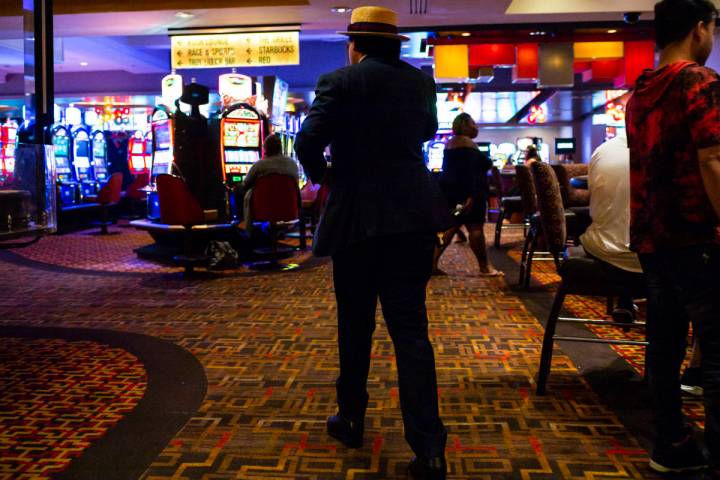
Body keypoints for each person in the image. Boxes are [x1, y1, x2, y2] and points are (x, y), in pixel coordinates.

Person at [294, 6, 452, 479]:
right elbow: (426, 132)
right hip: (412, 216)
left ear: (355, 44)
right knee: (411, 332)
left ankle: (351, 418)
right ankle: (429, 448)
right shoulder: (420, 82)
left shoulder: (339, 81)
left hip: (357, 220)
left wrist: (329, 180)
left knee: (355, 325)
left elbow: (306, 143)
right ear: (394, 45)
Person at [626, 0, 720, 477]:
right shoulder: (698, 82)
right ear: (700, 28)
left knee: (663, 345)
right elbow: (712, 160)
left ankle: (671, 443)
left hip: (652, 235)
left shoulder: (641, 90)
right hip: (697, 233)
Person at [579, 132, 644, 323]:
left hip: (605, 253)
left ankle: (625, 301)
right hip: (658, 261)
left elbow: (595, 195)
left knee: (611, 228)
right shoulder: (679, 151)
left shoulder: (603, 150)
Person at [433, 113, 501, 277]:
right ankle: (485, 267)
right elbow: (468, 172)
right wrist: (470, 195)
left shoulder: (452, 143)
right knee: (475, 228)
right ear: (464, 125)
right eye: (473, 123)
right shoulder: (466, 143)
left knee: (450, 228)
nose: (476, 126)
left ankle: (431, 264)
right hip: (469, 194)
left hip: (453, 192)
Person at [242, 134, 299, 225]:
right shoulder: (292, 164)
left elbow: (245, 184)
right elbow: (296, 186)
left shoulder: (259, 165)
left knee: (238, 191)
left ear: (266, 149)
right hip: (288, 209)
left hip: (263, 210)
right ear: (281, 148)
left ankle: (244, 228)